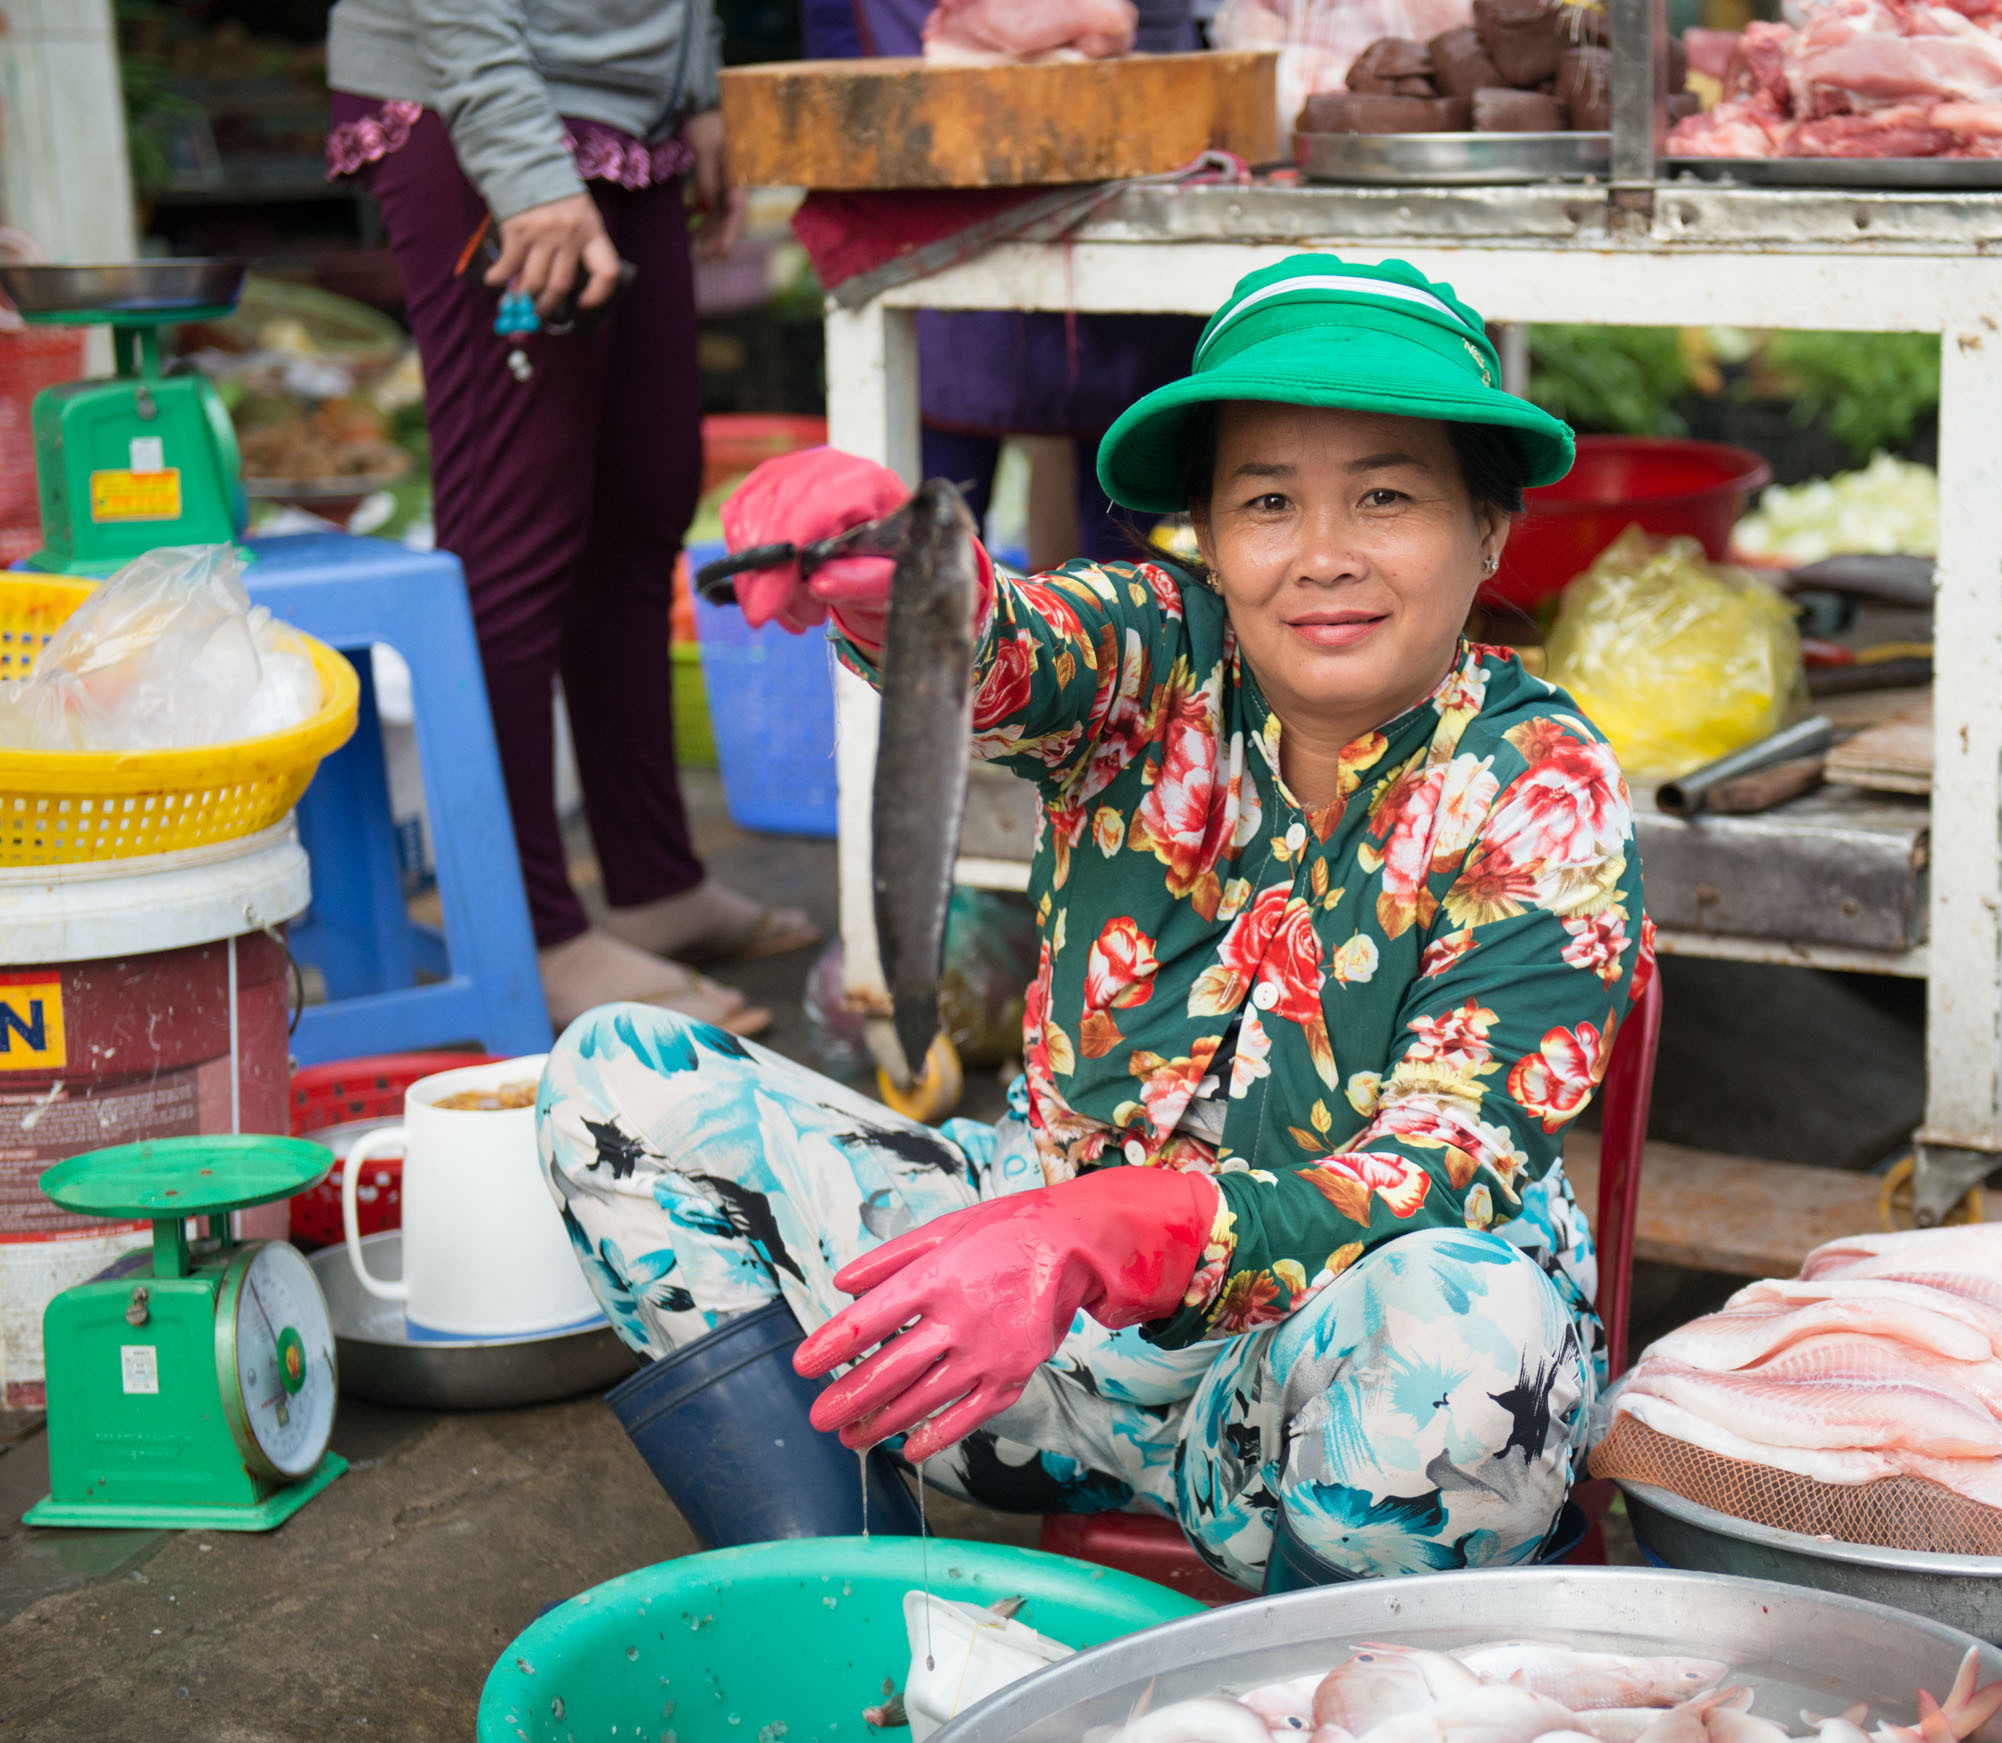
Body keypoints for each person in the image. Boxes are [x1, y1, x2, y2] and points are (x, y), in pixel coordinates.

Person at [537, 254, 1650, 1585]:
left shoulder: (1537, 779)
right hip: (1012, 1346)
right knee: (617, 1079)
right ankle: (843, 1604)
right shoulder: (1157, 653)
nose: (1323, 554)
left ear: (1487, 530)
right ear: (1208, 537)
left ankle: (1304, 1683)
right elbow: (1006, 640)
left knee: (1483, 1342)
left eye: (1388, 495)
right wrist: (885, 573)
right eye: (1268, 501)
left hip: (1316, 1396)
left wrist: (1130, 1227)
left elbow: (1445, 1164)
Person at [326, 0, 812, 1035]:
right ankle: (524, 932)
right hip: (489, 110)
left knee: (642, 501)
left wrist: (696, 89)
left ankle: (654, 881)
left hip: (623, 116)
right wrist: (520, 165)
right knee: (515, 532)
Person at [797, 0, 1204, 563]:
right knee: (930, 530)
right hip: (928, 164)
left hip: (1122, 165)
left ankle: (1123, 646)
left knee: (1126, 507)